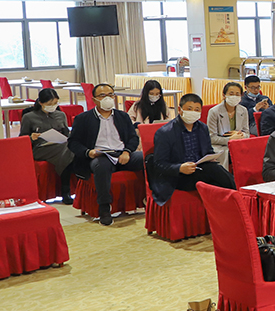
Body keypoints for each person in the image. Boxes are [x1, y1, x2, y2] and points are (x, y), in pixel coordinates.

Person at [67, 83, 144, 226]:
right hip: (99, 156)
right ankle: (104, 208)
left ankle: (151, 198)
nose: (107, 98)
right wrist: (88, 152)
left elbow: (133, 138)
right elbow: (73, 142)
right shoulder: (83, 118)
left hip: (122, 154)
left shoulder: (122, 116)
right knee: (100, 166)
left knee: (148, 158)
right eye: (102, 95)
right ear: (94, 99)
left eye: (110, 95)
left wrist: (127, 151)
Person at [150, 93, 236, 205]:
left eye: (197, 110)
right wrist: (179, 168)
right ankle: (240, 198)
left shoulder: (202, 128)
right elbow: (158, 164)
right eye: (189, 109)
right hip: (178, 176)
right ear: (180, 110)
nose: (193, 112)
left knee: (217, 177)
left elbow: (208, 151)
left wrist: (211, 157)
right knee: (215, 172)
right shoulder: (165, 132)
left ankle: (227, 208)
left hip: (199, 169)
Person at [19, 89, 74, 204]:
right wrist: (31, 137)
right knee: (67, 150)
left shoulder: (60, 115)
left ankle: (67, 190)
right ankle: (66, 190)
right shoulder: (29, 117)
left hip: (60, 145)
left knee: (69, 148)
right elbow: (22, 139)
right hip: (40, 148)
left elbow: (66, 134)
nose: (53, 106)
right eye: (49, 104)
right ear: (41, 103)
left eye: (55, 103)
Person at [207, 81, 251, 170]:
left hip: (238, 144)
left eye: (237, 94)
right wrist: (230, 139)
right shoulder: (214, 112)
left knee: (253, 151)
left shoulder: (243, 110)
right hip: (220, 146)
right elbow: (211, 138)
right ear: (224, 95)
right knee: (225, 154)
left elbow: (247, 133)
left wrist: (242, 135)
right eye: (231, 94)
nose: (234, 96)